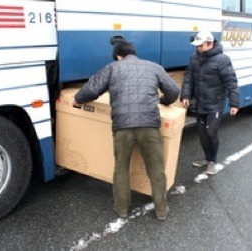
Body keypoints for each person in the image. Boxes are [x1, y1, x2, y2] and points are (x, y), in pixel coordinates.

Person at [74, 40, 180, 221]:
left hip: (122, 127)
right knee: (156, 169)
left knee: (121, 168)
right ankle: (161, 210)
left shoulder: (112, 68)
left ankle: (122, 210)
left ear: (118, 56)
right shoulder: (154, 67)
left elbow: (91, 90)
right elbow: (173, 91)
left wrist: (78, 98)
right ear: (134, 53)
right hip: (149, 125)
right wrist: (164, 101)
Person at [180, 31, 240, 175]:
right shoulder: (194, 58)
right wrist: (185, 95)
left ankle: (212, 161)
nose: (198, 48)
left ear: (210, 43)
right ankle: (207, 158)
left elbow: (231, 82)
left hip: (216, 104)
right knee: (202, 134)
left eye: (200, 46)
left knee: (211, 132)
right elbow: (189, 78)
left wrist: (234, 103)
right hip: (201, 103)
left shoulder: (222, 60)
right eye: (197, 46)